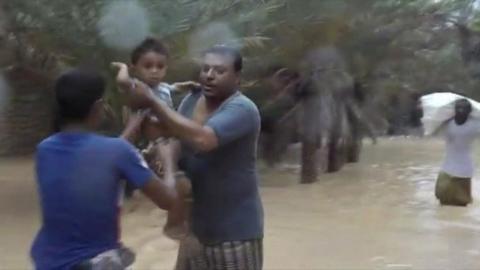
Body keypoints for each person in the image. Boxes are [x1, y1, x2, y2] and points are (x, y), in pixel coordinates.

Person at [122, 45, 264, 270]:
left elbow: (202, 139)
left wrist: (152, 100)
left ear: (237, 77)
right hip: (195, 230)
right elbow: (175, 135)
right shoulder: (191, 99)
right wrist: (160, 156)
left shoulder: (242, 109)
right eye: (206, 69)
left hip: (234, 233)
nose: (209, 75)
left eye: (219, 71)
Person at [30, 69, 183, 270]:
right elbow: (168, 200)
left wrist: (132, 129)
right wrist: (169, 159)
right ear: (98, 107)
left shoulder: (45, 149)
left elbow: (95, 156)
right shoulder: (118, 152)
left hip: (48, 262)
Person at [112, 37, 198, 198]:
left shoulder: (164, 87)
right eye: (148, 66)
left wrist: (188, 85)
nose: (154, 71)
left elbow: (175, 87)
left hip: (169, 134)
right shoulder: (137, 87)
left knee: (179, 151)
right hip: (156, 135)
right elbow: (122, 80)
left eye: (160, 66)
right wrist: (123, 68)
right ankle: (168, 187)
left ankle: (172, 179)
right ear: (135, 68)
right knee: (167, 162)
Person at [435, 98, 480, 206]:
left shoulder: (475, 124)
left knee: (461, 202)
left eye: (463, 109)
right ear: (454, 110)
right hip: (448, 165)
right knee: (442, 197)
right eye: (458, 109)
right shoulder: (448, 123)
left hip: (464, 168)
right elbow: (433, 125)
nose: (460, 111)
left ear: (469, 112)